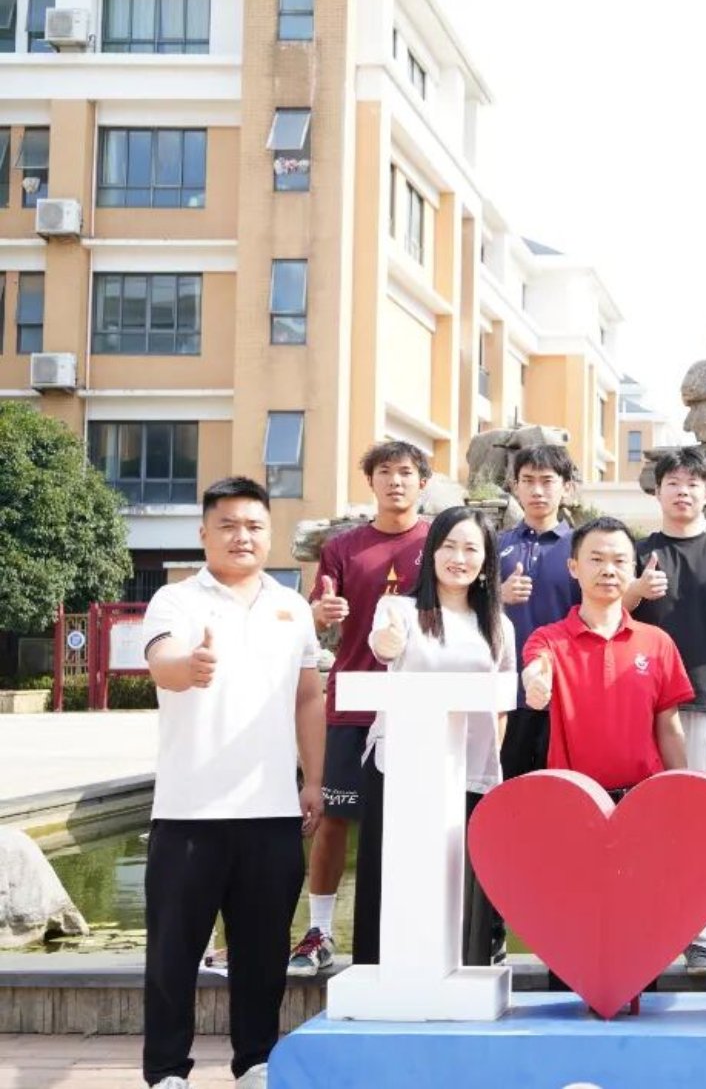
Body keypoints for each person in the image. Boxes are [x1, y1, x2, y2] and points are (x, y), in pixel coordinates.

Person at [141, 477, 324, 1089]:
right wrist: (188, 667)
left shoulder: (292, 607)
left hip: (271, 809)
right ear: (204, 534)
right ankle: (167, 1072)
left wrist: (315, 778)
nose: (242, 536)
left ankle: (255, 1062)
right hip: (188, 812)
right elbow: (161, 663)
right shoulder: (175, 600)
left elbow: (308, 696)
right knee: (173, 953)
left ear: (269, 533)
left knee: (263, 952)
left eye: (253, 526)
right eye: (228, 525)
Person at [289, 441, 431, 977]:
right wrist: (321, 610)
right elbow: (316, 616)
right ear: (370, 482)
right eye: (385, 472)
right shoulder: (343, 547)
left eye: (406, 472)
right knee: (333, 818)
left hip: (418, 704)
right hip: (353, 700)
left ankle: (414, 930)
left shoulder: (440, 542)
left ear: (422, 482)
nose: (396, 481)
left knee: (414, 821)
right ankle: (319, 931)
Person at [353, 506, 514, 969]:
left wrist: (489, 758)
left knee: (456, 886)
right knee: (393, 880)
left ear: (486, 561)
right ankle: (381, 975)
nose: (459, 559)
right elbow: (384, 644)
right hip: (401, 769)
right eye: (449, 546)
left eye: (471, 549)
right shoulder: (399, 610)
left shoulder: (499, 625)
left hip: (469, 772)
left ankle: (461, 973)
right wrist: (385, 643)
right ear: (431, 553)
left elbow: (502, 702)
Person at [625, 447, 706, 972]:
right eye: (673, 482)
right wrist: (635, 591)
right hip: (637, 706)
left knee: (702, 819)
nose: (683, 491)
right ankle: (649, 933)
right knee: (646, 822)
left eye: (693, 483)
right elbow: (605, 613)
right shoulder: (636, 552)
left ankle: (702, 935)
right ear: (657, 491)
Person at [523, 516, 694, 794]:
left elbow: (669, 729)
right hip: (574, 799)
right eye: (596, 559)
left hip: (644, 798)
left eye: (619, 561)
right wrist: (535, 683)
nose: (608, 570)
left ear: (633, 568)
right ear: (573, 567)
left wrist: (680, 792)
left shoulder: (658, 643)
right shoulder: (549, 639)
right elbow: (536, 668)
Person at [497, 445, 582, 782]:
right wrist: (498, 596)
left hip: (565, 695)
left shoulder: (582, 547)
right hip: (506, 695)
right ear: (514, 486)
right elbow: (465, 607)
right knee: (504, 792)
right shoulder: (494, 545)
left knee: (560, 793)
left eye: (547, 481)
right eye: (527, 480)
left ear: (566, 487)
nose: (537, 490)